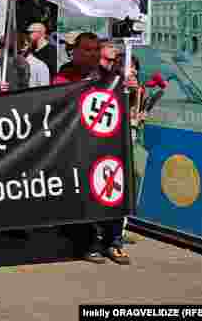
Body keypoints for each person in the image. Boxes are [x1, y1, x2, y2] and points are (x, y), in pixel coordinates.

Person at [52, 33, 132, 266]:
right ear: (75, 51)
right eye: (86, 49)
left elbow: (122, 106)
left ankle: (113, 242)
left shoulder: (111, 77)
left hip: (107, 146)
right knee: (85, 196)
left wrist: (130, 89)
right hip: (78, 146)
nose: (93, 53)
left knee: (112, 193)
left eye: (96, 49)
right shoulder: (63, 76)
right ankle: (87, 243)